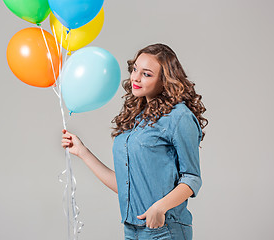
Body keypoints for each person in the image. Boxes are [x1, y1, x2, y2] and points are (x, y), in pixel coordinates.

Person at [61, 43, 208, 240]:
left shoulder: (179, 116)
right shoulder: (135, 118)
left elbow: (192, 178)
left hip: (165, 230)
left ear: (165, 81)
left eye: (146, 74)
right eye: (135, 69)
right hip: (132, 230)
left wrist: (159, 208)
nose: (135, 78)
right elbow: (124, 185)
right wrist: (83, 152)